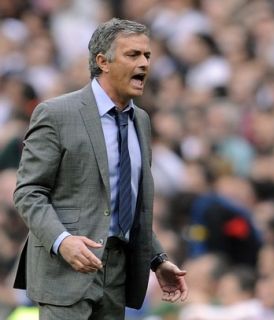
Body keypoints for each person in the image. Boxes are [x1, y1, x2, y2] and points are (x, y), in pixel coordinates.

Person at [12, 18, 188, 319]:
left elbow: (130, 205)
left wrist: (157, 259)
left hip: (116, 275)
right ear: (102, 62)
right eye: (133, 55)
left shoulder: (142, 121)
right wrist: (61, 240)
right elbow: (29, 192)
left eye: (147, 55)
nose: (144, 63)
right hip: (65, 272)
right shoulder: (56, 114)